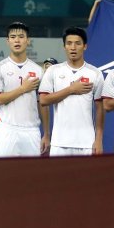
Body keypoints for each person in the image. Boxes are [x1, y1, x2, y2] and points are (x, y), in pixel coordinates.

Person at [39, 26, 104, 156]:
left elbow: (100, 109)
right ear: (64, 47)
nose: (73, 47)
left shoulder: (95, 73)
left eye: (77, 43)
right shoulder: (53, 71)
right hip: (59, 143)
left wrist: (98, 140)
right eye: (69, 43)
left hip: (86, 143)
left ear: (85, 46)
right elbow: (43, 100)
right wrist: (71, 89)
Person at [0, 22, 49, 157]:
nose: (17, 40)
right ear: (8, 40)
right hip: (7, 130)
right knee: (3, 173)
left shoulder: (38, 70)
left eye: (21, 36)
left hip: (32, 131)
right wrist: (22, 89)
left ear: (28, 41)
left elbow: (42, 103)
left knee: (31, 175)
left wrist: (46, 133)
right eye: (13, 36)